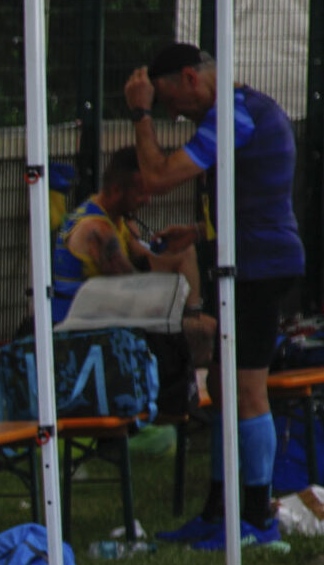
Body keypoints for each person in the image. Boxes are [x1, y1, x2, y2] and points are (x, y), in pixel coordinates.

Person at [125, 43, 305, 547]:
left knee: (247, 391)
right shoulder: (237, 112)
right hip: (246, 261)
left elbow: (156, 178)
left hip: (259, 270)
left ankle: (255, 518)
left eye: (167, 100)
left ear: (189, 77)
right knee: (225, 387)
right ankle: (220, 510)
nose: (170, 113)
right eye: (157, 108)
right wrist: (200, 235)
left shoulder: (235, 115)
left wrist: (139, 115)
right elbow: (254, 201)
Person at [51, 145, 211, 416]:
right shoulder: (97, 230)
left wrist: (180, 245)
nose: (147, 200)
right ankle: (191, 398)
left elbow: (150, 261)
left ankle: (192, 388)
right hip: (81, 336)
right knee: (208, 332)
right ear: (116, 190)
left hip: (105, 319)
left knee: (185, 258)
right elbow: (138, 289)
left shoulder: (112, 216)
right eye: (141, 192)